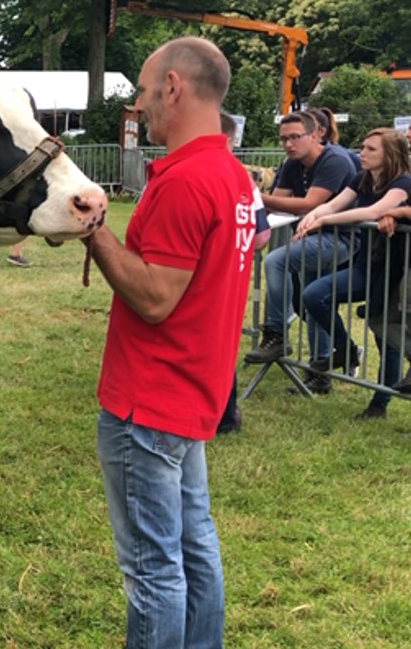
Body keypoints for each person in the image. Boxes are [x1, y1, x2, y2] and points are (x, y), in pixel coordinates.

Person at [85, 36, 252, 648]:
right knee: (194, 545)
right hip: (191, 393)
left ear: (173, 87)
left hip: (147, 401)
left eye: (143, 91)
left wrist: (95, 233)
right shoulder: (232, 175)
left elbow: (155, 298)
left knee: (154, 568)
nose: (139, 106)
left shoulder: (185, 179)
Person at [296, 128, 411, 419]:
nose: (362, 152)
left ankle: (379, 403)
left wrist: (325, 221)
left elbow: (374, 212)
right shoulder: (361, 178)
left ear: (390, 155)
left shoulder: (403, 181)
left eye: (371, 149)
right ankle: (345, 349)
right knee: (314, 295)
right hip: (365, 265)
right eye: (362, 146)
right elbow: (334, 203)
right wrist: (313, 215)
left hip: (393, 271)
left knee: (384, 333)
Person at [244, 111, 358, 395]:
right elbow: (280, 202)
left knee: (276, 261)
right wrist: (255, 204)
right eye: (283, 138)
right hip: (310, 238)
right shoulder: (293, 162)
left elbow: (309, 204)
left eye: (295, 137)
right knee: (310, 301)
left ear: (316, 134)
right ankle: (318, 375)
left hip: (340, 239)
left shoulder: (334, 159)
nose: (288, 144)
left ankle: (275, 333)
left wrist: (251, 197)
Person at [219, 112, 272, 434]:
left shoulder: (195, 172)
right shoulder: (243, 178)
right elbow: (262, 236)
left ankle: (220, 415)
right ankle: (226, 415)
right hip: (235, 272)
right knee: (225, 342)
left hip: (202, 277)